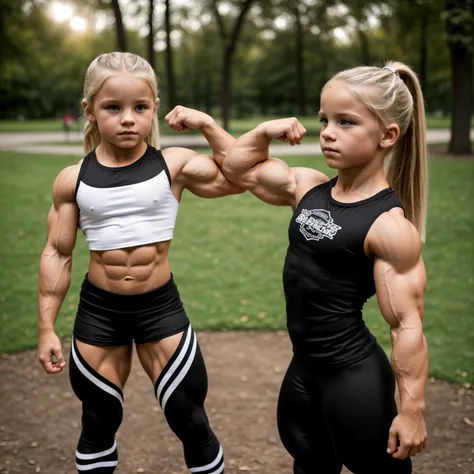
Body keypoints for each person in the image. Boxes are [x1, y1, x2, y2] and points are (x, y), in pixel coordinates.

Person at [37, 52, 240, 474]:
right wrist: (45, 328)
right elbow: (57, 253)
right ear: (89, 112)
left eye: (140, 108)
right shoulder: (72, 179)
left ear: (155, 111)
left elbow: (236, 175)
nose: (128, 118)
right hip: (100, 314)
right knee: (98, 422)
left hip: (160, 310)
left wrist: (206, 125)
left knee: (190, 419)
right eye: (114, 107)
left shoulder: (175, 165)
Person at [222, 61, 428, 474]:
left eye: (346, 122)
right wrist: (263, 132)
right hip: (303, 369)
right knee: (310, 462)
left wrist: (411, 411)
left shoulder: (389, 228)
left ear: (388, 135)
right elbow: (236, 168)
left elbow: (407, 324)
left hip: (352, 378)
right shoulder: (307, 188)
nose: (328, 132)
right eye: (324, 119)